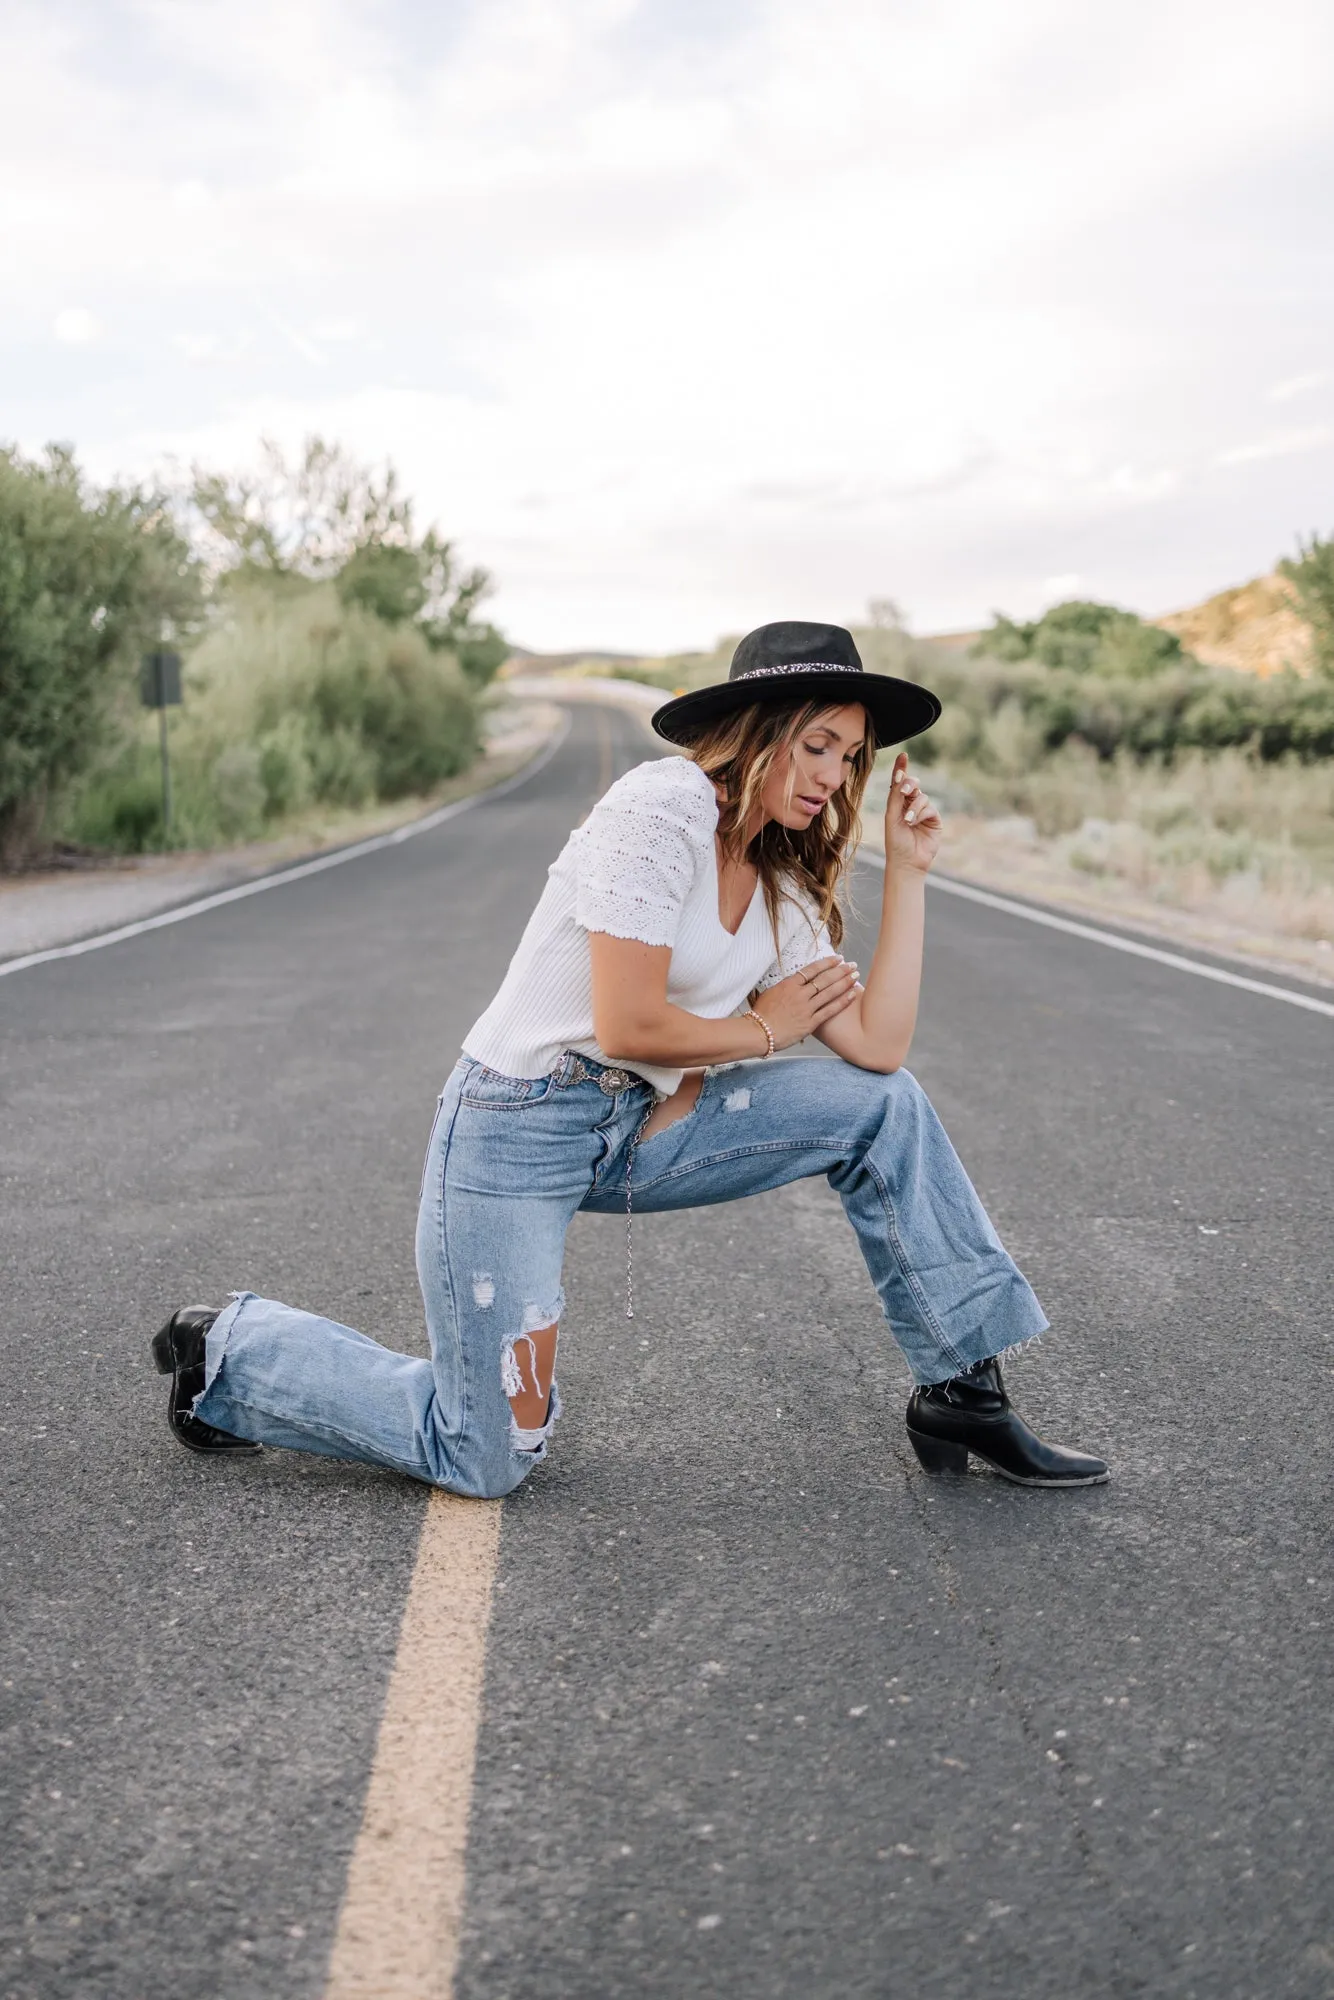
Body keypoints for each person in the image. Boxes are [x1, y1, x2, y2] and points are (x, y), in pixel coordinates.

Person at [152, 621, 1108, 1493]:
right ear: (760, 728)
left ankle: (962, 1391)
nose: (832, 773)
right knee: (485, 1455)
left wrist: (908, 873)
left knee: (885, 1107)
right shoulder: (661, 807)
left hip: (649, 1130)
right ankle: (232, 1352)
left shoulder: (780, 881)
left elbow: (879, 1047)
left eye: (851, 755)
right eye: (817, 743)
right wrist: (766, 1030)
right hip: (517, 1128)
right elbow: (626, 1024)